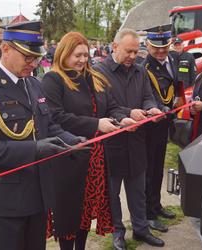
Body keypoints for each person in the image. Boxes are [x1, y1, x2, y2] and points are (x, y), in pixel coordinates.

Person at [0, 21, 84, 250]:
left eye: (36, 57)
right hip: (8, 198)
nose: (34, 63)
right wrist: (36, 149)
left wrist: (70, 139)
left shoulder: (34, 84)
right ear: (6, 49)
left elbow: (47, 126)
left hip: (39, 194)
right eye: (28, 57)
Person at [41, 31, 136, 250]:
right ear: (64, 54)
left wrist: (125, 118)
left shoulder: (95, 77)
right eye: (77, 55)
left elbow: (111, 106)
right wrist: (95, 125)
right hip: (68, 156)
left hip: (95, 157)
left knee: (86, 211)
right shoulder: (53, 80)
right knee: (69, 213)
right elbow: (56, 117)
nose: (83, 60)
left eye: (85, 55)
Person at [94, 28, 164, 249]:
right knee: (112, 194)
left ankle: (141, 229)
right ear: (115, 47)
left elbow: (147, 97)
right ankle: (117, 232)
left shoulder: (140, 71)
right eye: (129, 51)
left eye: (137, 52)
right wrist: (128, 113)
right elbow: (102, 107)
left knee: (138, 191)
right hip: (111, 144)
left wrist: (151, 109)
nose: (133, 56)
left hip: (136, 141)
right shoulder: (99, 71)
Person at [144, 25, 182, 233]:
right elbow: (148, 94)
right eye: (156, 47)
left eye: (164, 47)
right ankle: (148, 213)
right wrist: (160, 108)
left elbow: (175, 87)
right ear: (148, 45)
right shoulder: (145, 68)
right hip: (152, 124)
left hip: (165, 123)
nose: (161, 51)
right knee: (149, 170)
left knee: (158, 168)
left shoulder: (174, 59)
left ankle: (156, 205)